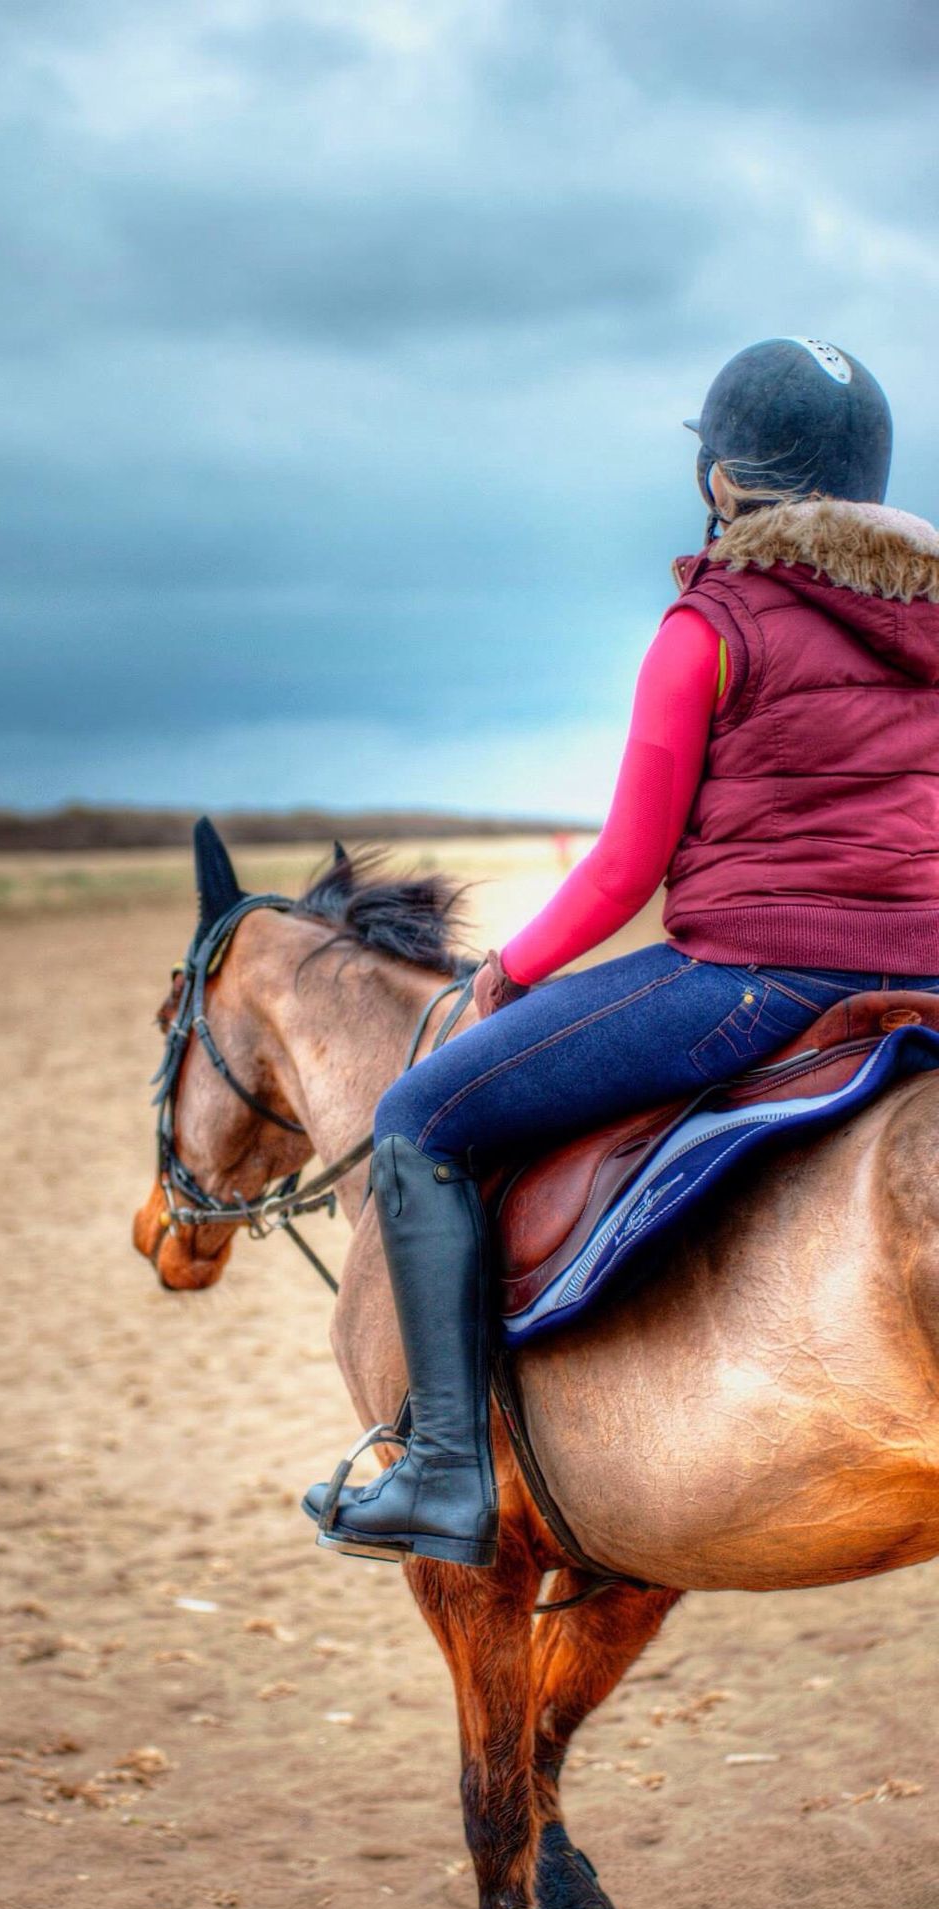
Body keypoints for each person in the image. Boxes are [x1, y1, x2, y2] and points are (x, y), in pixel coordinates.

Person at [304, 337, 939, 1568]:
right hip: (927, 977)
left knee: (421, 1116)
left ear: (723, 481)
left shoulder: (709, 626)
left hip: (756, 979)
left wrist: (505, 975)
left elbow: (621, 869)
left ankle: (442, 1473)